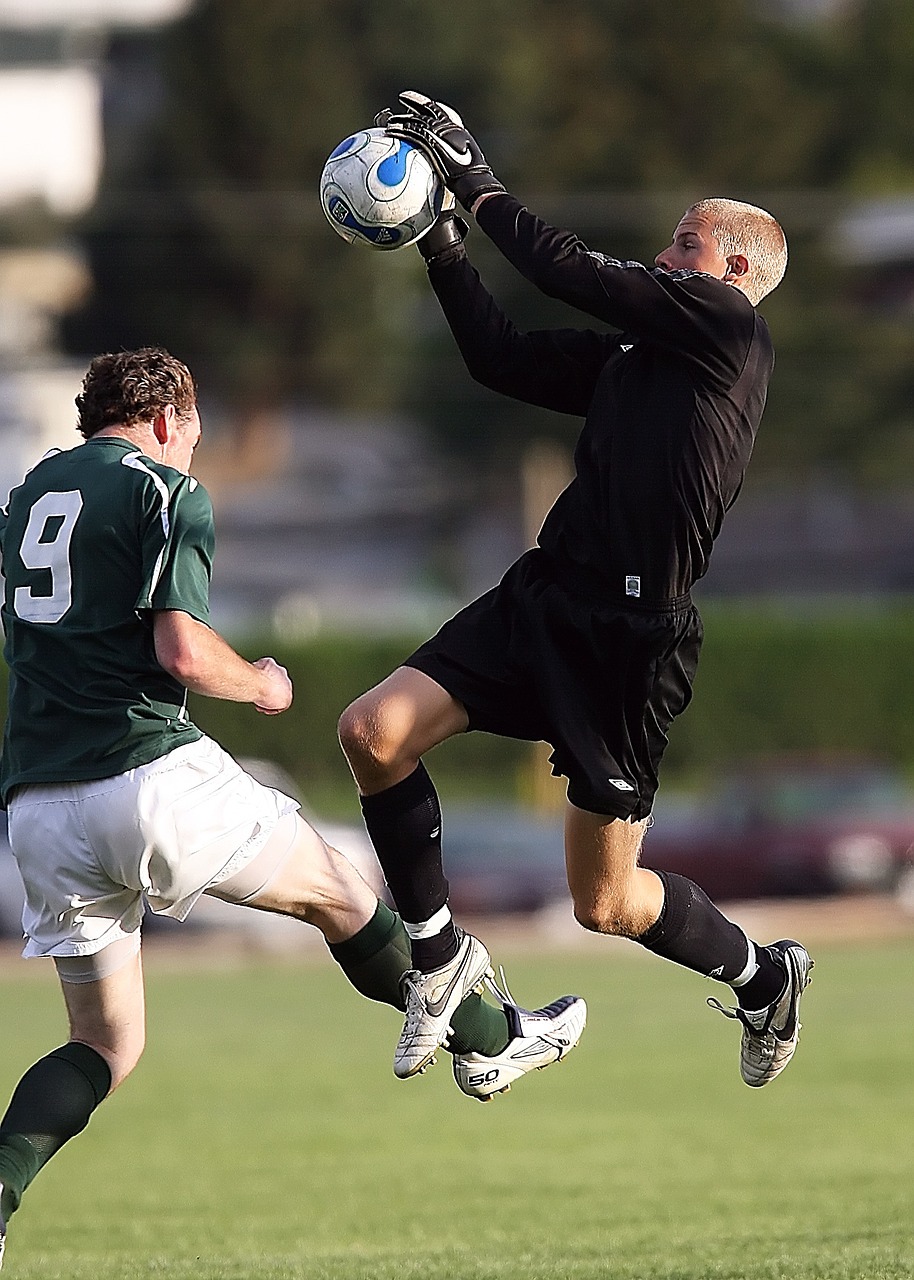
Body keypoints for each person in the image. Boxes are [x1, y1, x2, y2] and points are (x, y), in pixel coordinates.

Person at [0, 348, 585, 1270]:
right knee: (342, 893)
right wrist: (263, 685)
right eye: (193, 432)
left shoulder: (30, 493)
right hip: (144, 774)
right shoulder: (165, 491)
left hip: (36, 805)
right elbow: (185, 653)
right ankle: (493, 1038)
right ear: (169, 419)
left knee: (105, 1042)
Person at [339, 92, 813, 1092]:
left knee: (604, 902)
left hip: (630, 642)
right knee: (373, 732)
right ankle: (437, 959)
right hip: (543, 596)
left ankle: (765, 975)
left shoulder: (726, 333)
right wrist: (440, 244)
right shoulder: (646, 355)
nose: (664, 252)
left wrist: (476, 179)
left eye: (685, 243)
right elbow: (499, 358)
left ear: (732, 272)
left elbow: (565, 269)